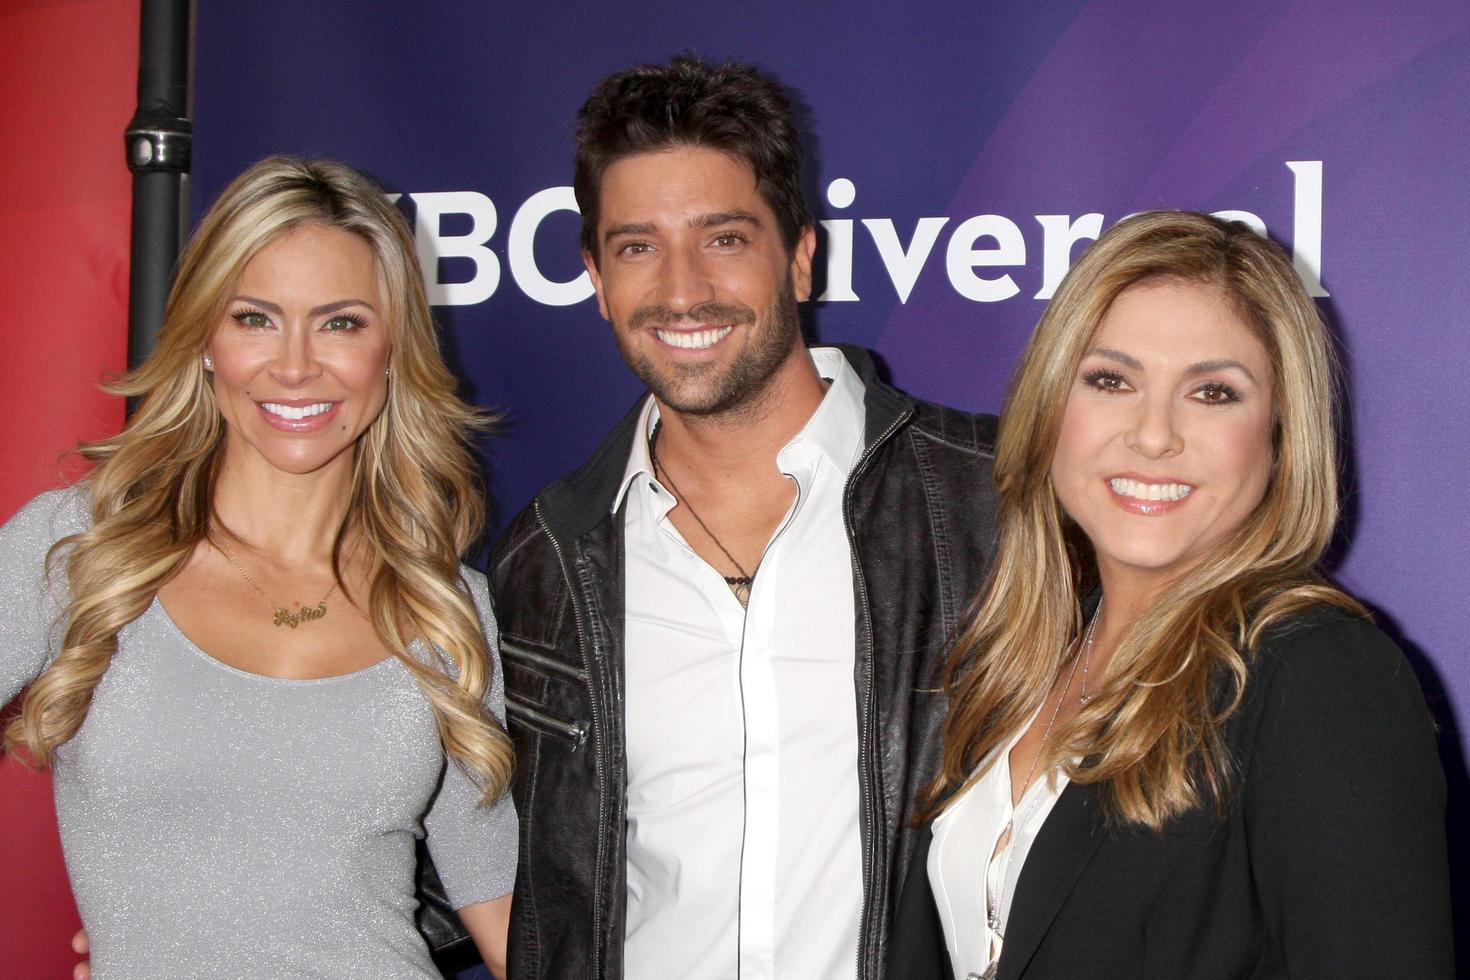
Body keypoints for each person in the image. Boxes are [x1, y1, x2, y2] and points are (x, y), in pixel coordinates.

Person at [483, 54, 999, 979]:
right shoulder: (548, 560)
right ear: (596, 278)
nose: (682, 292)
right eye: (638, 246)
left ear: (799, 257)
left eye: (723, 238)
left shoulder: (990, 503)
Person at [888, 211, 1453, 978]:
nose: (1153, 435)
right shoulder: (1013, 665)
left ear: (1281, 439)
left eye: (1214, 393)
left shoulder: (1321, 677)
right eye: (1111, 380)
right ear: (1052, 407)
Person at [2, 156, 517, 980]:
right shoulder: (78, 550)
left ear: (394, 349)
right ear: (205, 339)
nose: (295, 365)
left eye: (342, 322)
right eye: (255, 318)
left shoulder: (448, 609)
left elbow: (499, 903)